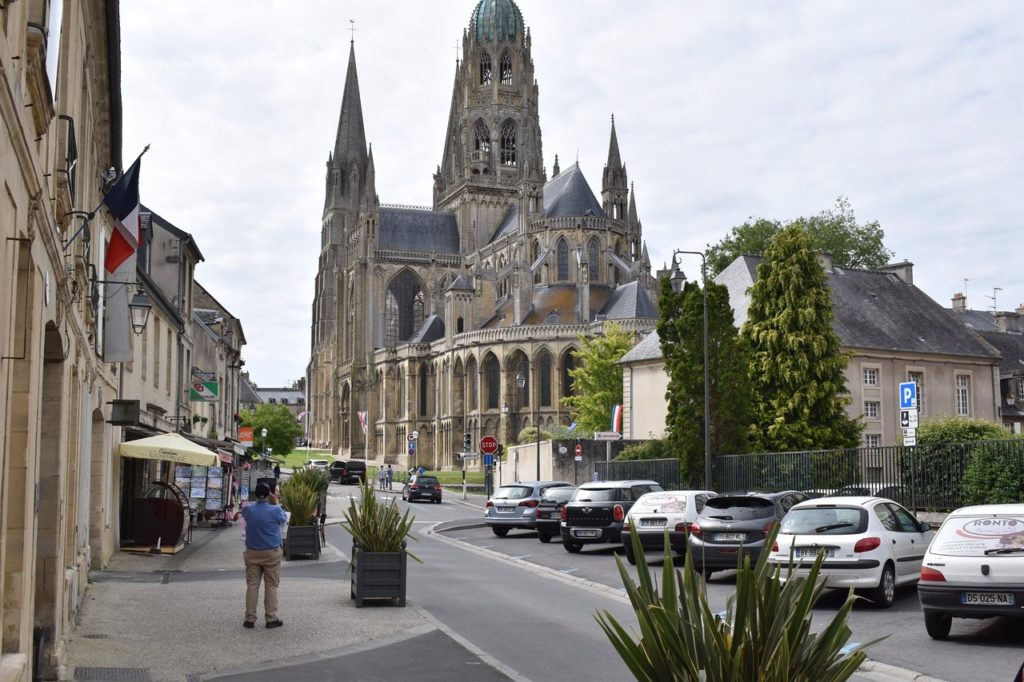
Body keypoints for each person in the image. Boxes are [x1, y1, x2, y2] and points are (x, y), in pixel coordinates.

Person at [239, 483, 287, 629]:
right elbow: (284, 519)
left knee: (252, 585)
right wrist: (276, 501)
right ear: (269, 494)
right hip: (271, 552)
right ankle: (271, 618)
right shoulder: (275, 510)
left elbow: (245, 514)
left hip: (252, 551)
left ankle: (249, 618)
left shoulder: (248, 510)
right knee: (271, 585)